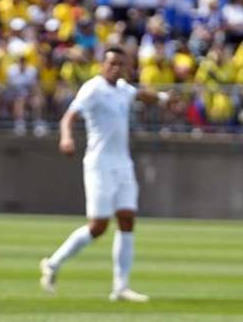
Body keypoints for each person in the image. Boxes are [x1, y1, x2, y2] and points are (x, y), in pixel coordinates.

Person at [39, 46, 165, 302]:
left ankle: (121, 287)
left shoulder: (123, 89)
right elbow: (69, 117)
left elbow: (142, 95)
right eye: (112, 63)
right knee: (98, 226)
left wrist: (163, 97)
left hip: (123, 163)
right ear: (102, 65)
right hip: (99, 164)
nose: (116, 68)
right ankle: (53, 263)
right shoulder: (93, 89)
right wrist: (66, 138)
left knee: (127, 219)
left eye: (121, 64)